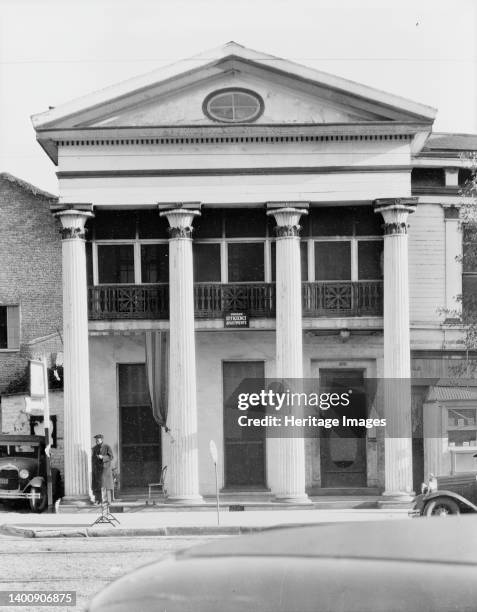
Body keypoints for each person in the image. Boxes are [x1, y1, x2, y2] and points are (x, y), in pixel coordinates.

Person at [91, 434, 114, 505]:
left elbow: (111, 457)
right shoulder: (94, 448)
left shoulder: (107, 447)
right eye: (96, 439)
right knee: (97, 485)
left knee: (106, 485)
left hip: (105, 469)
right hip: (97, 469)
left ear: (102, 439)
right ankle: (98, 500)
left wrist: (103, 457)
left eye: (98, 439)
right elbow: (93, 459)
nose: (97, 440)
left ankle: (108, 501)